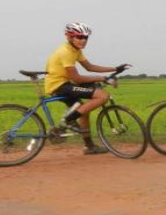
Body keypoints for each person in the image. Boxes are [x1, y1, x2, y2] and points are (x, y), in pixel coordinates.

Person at [44, 22, 131, 155]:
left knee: (84, 110)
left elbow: (89, 67)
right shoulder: (65, 52)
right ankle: (68, 120)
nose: (83, 40)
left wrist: (115, 68)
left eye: (86, 37)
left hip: (64, 84)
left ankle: (89, 146)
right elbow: (76, 78)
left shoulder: (76, 50)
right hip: (59, 86)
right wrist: (102, 78)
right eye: (79, 37)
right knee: (102, 96)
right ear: (69, 37)